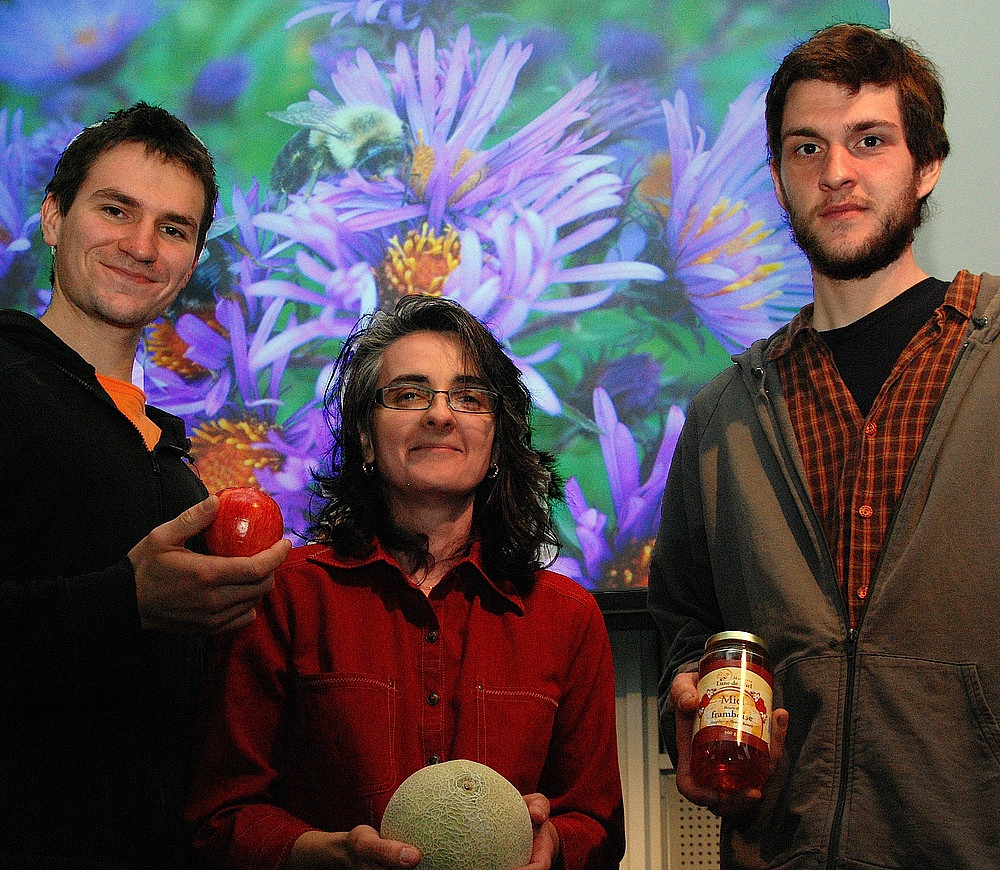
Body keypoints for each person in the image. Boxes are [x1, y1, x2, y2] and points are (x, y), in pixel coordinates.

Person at [648, 22, 1000, 869]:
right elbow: (686, 627)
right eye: (807, 147)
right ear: (777, 179)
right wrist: (684, 705)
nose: (836, 171)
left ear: (927, 164)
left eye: (869, 141)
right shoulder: (723, 415)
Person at [185, 294, 625, 870]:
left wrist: (555, 844)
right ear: (367, 440)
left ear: (495, 444)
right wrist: (325, 854)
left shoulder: (568, 617)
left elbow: (597, 823)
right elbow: (220, 817)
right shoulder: (286, 596)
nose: (440, 415)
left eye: (469, 398)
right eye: (409, 395)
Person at [0, 103, 290, 869]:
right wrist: (125, 602)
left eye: (173, 228)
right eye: (116, 210)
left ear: (191, 262)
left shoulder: (170, 461)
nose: (140, 245)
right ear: (53, 218)